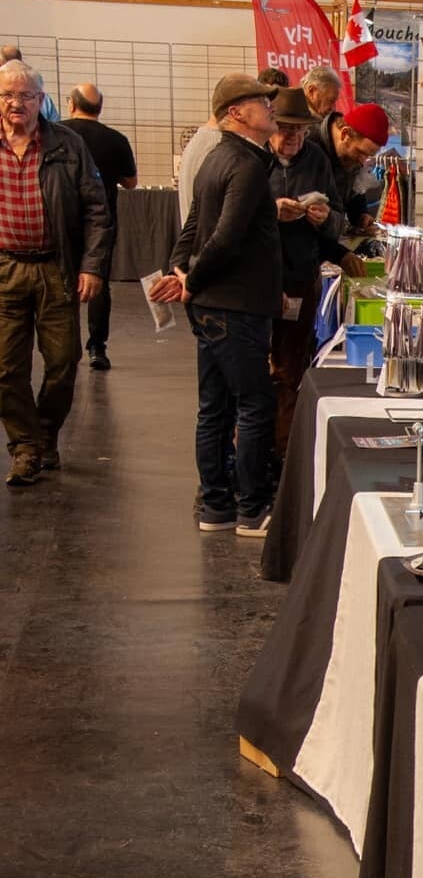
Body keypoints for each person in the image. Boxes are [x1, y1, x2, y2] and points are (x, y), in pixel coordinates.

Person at [149, 73, 281, 536]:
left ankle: (215, 507)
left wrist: (181, 268)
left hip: (215, 304)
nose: (271, 108)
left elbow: (193, 224)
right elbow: (224, 238)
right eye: (261, 102)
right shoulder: (244, 165)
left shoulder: (217, 158)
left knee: (215, 408)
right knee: (254, 405)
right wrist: (191, 278)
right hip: (235, 305)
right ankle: (252, 510)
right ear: (236, 113)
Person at [0, 59, 110, 486]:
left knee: (64, 362)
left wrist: (92, 266)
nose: (16, 103)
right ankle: (26, 447)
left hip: (55, 268)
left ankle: (45, 432)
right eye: (7, 95)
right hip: (6, 269)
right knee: (6, 370)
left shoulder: (67, 144)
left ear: (41, 100)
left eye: (25, 96)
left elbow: (97, 209)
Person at [266, 87, 346, 456]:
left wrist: (326, 218)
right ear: (270, 126)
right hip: (257, 282)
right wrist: (271, 211)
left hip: (300, 277)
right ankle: (250, 449)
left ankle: (283, 453)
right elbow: (234, 218)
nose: (293, 138)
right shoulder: (254, 159)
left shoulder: (316, 159)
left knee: (291, 369)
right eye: (285, 129)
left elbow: (337, 220)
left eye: (299, 130)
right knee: (254, 370)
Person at [60, 84, 137, 370]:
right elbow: (131, 182)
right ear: (100, 108)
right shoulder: (116, 139)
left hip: (62, 222)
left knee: (59, 283)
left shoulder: (56, 134)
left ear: (71, 105)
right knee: (99, 284)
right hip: (102, 223)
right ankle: (97, 347)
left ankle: (63, 347)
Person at [313, 100, 388, 231]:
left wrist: (360, 216)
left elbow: (353, 191)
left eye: (368, 156)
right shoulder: (308, 144)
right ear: (345, 134)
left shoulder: (352, 158)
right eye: (361, 152)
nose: (363, 161)